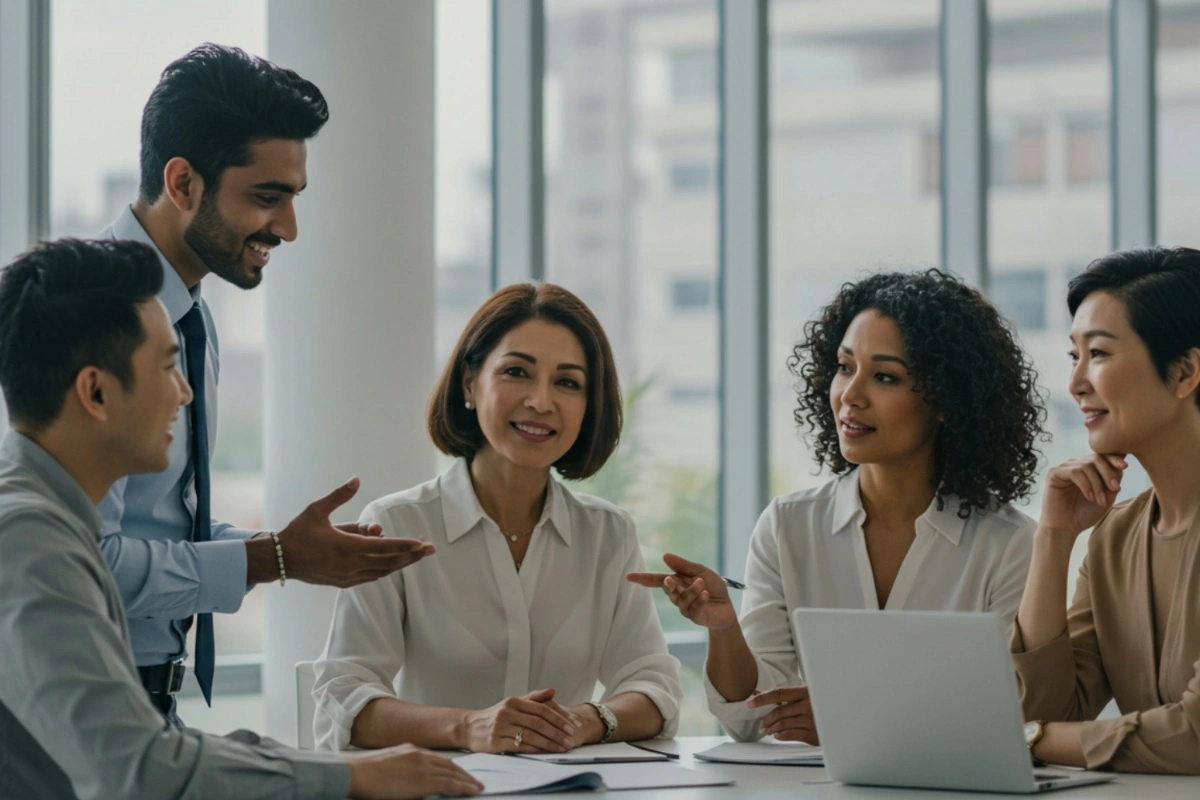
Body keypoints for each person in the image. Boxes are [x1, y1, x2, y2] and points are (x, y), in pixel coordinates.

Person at [0, 238, 482, 800]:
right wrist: (348, 776)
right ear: (96, 391)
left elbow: (145, 750)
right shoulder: (30, 542)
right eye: (166, 367)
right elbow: (138, 768)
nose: (183, 394)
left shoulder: (45, 523)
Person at [97, 43, 430, 720]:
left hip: (141, 699)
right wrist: (270, 558)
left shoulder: (191, 319)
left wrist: (291, 552)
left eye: (294, 197)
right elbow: (79, 564)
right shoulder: (91, 315)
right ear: (184, 183)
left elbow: (156, 526)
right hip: (83, 702)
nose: (289, 228)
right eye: (267, 198)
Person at [628, 269, 1046, 744]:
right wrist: (723, 628)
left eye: (885, 376)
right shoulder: (788, 526)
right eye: (845, 367)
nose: (849, 395)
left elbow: (1012, 716)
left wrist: (852, 719)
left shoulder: (1009, 543)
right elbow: (749, 718)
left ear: (947, 400)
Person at [310, 283, 683, 753]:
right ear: (470, 384)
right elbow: (346, 696)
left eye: (567, 382)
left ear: (588, 406)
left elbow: (653, 684)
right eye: (517, 373)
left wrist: (585, 721)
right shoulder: (397, 522)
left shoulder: (607, 534)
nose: (541, 401)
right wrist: (469, 727)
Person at [1012, 247, 1200, 774]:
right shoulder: (1115, 537)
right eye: (1075, 357)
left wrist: (1034, 737)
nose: (1075, 383)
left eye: (1098, 353)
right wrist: (1053, 537)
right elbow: (1045, 709)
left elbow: (1194, 735)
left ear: (1185, 371)